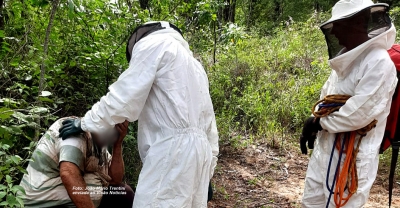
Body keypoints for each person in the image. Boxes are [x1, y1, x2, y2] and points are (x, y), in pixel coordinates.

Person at [59, 21, 219, 207]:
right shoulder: (197, 68)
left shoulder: (153, 44)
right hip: (200, 155)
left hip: (171, 152)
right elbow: (209, 126)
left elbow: (124, 97)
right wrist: (207, 172)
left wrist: (85, 123)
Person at [299, 0, 397, 207]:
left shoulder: (378, 62)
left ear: (358, 23)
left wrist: (317, 123)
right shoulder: (345, 59)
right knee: (310, 203)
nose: (334, 33)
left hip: (352, 159)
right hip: (324, 151)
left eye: (339, 26)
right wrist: (316, 119)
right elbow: (326, 98)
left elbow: (360, 113)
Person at [19, 117, 134, 208]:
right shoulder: (73, 130)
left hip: (69, 201)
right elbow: (69, 173)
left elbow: (115, 180)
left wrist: (117, 144)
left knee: (123, 192)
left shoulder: (100, 145)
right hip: (43, 202)